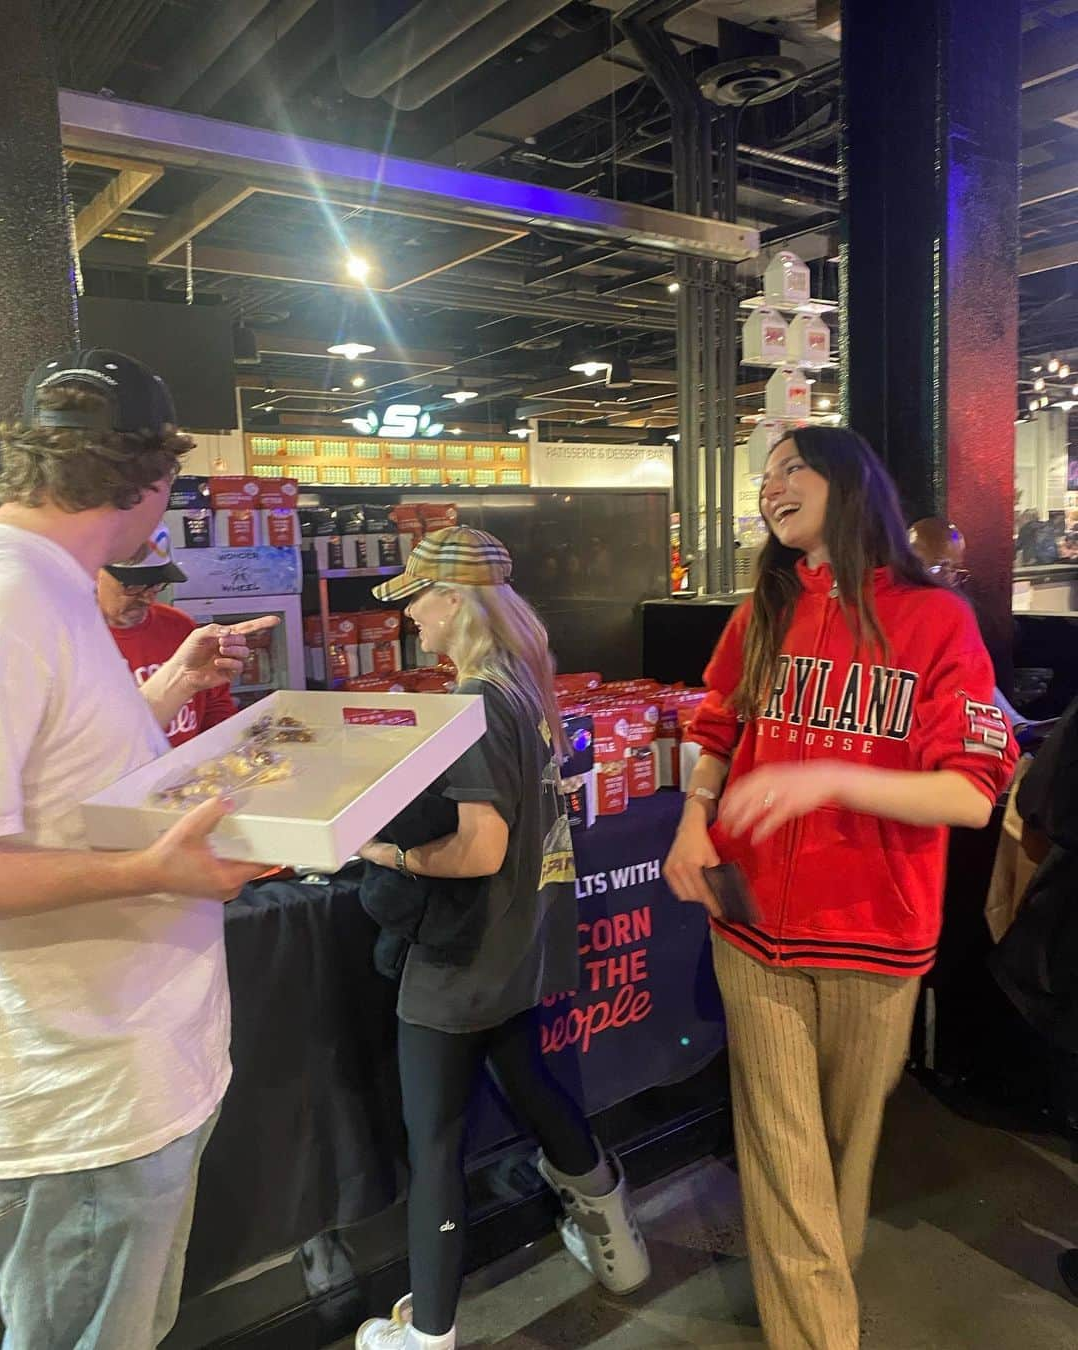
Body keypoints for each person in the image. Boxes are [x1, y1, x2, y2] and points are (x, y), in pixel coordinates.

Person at [663, 427, 1017, 1350]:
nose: (770, 487)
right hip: (750, 927)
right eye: (763, 476)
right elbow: (715, 725)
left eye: (791, 468)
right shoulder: (763, 613)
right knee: (785, 1162)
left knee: (838, 1162)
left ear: (849, 481)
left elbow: (971, 795)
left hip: (876, 934)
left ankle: (817, 1293)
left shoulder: (936, 619)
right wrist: (692, 816)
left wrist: (827, 778)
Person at [0, 349, 275, 1350]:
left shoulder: (53, 584)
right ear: (151, 482)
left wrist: (167, 688)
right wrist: (146, 873)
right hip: (84, 1096)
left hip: (125, 1072)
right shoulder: (15, 594)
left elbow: (65, 783)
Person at [353, 526, 649, 1350]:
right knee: (534, 1085)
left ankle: (430, 1332)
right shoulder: (525, 686)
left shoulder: (475, 701)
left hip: (461, 960)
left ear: (455, 601)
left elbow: (480, 849)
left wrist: (387, 851)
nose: (411, 615)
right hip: (520, 951)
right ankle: (620, 1248)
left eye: (419, 597)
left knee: (435, 1145)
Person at [98, 523, 239, 747]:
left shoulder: (180, 626)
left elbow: (215, 706)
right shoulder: (72, 641)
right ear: (93, 572)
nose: (147, 598)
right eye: (134, 586)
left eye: (155, 586)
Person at [908, 516, 1036, 734]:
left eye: (956, 570)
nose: (950, 578)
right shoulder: (897, 603)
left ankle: (1014, 726)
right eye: (941, 568)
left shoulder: (957, 603)